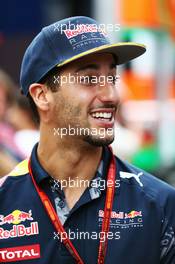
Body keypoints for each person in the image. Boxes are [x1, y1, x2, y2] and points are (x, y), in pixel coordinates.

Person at [0, 16, 174, 264]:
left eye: (112, 78)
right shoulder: (5, 202)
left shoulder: (160, 206)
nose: (111, 95)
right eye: (89, 79)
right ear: (41, 96)